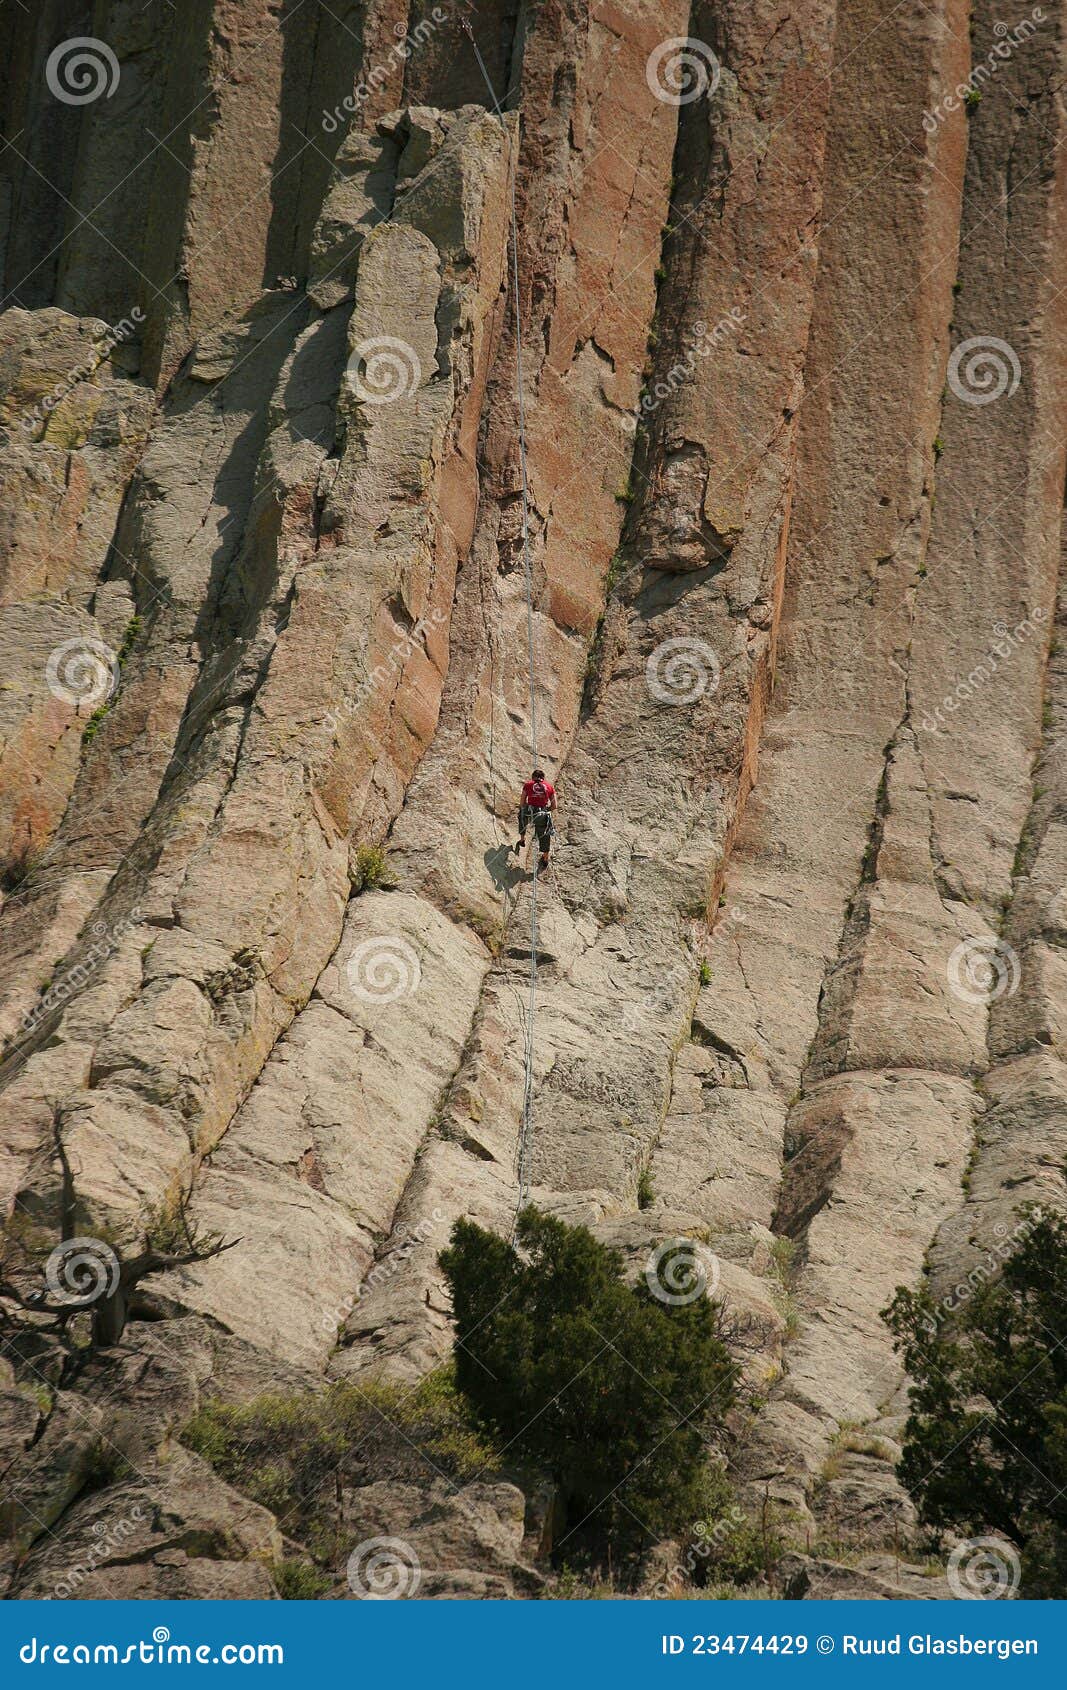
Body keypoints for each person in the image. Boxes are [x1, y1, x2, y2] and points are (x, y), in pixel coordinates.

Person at [515, 768, 556, 870]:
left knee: (522, 816)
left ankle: (522, 839)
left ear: (533, 777)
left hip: (530, 810)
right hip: (542, 813)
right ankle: (545, 858)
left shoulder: (528, 785)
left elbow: (522, 802)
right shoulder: (550, 787)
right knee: (544, 834)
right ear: (543, 778)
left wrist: (524, 808)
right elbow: (554, 805)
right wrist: (546, 809)